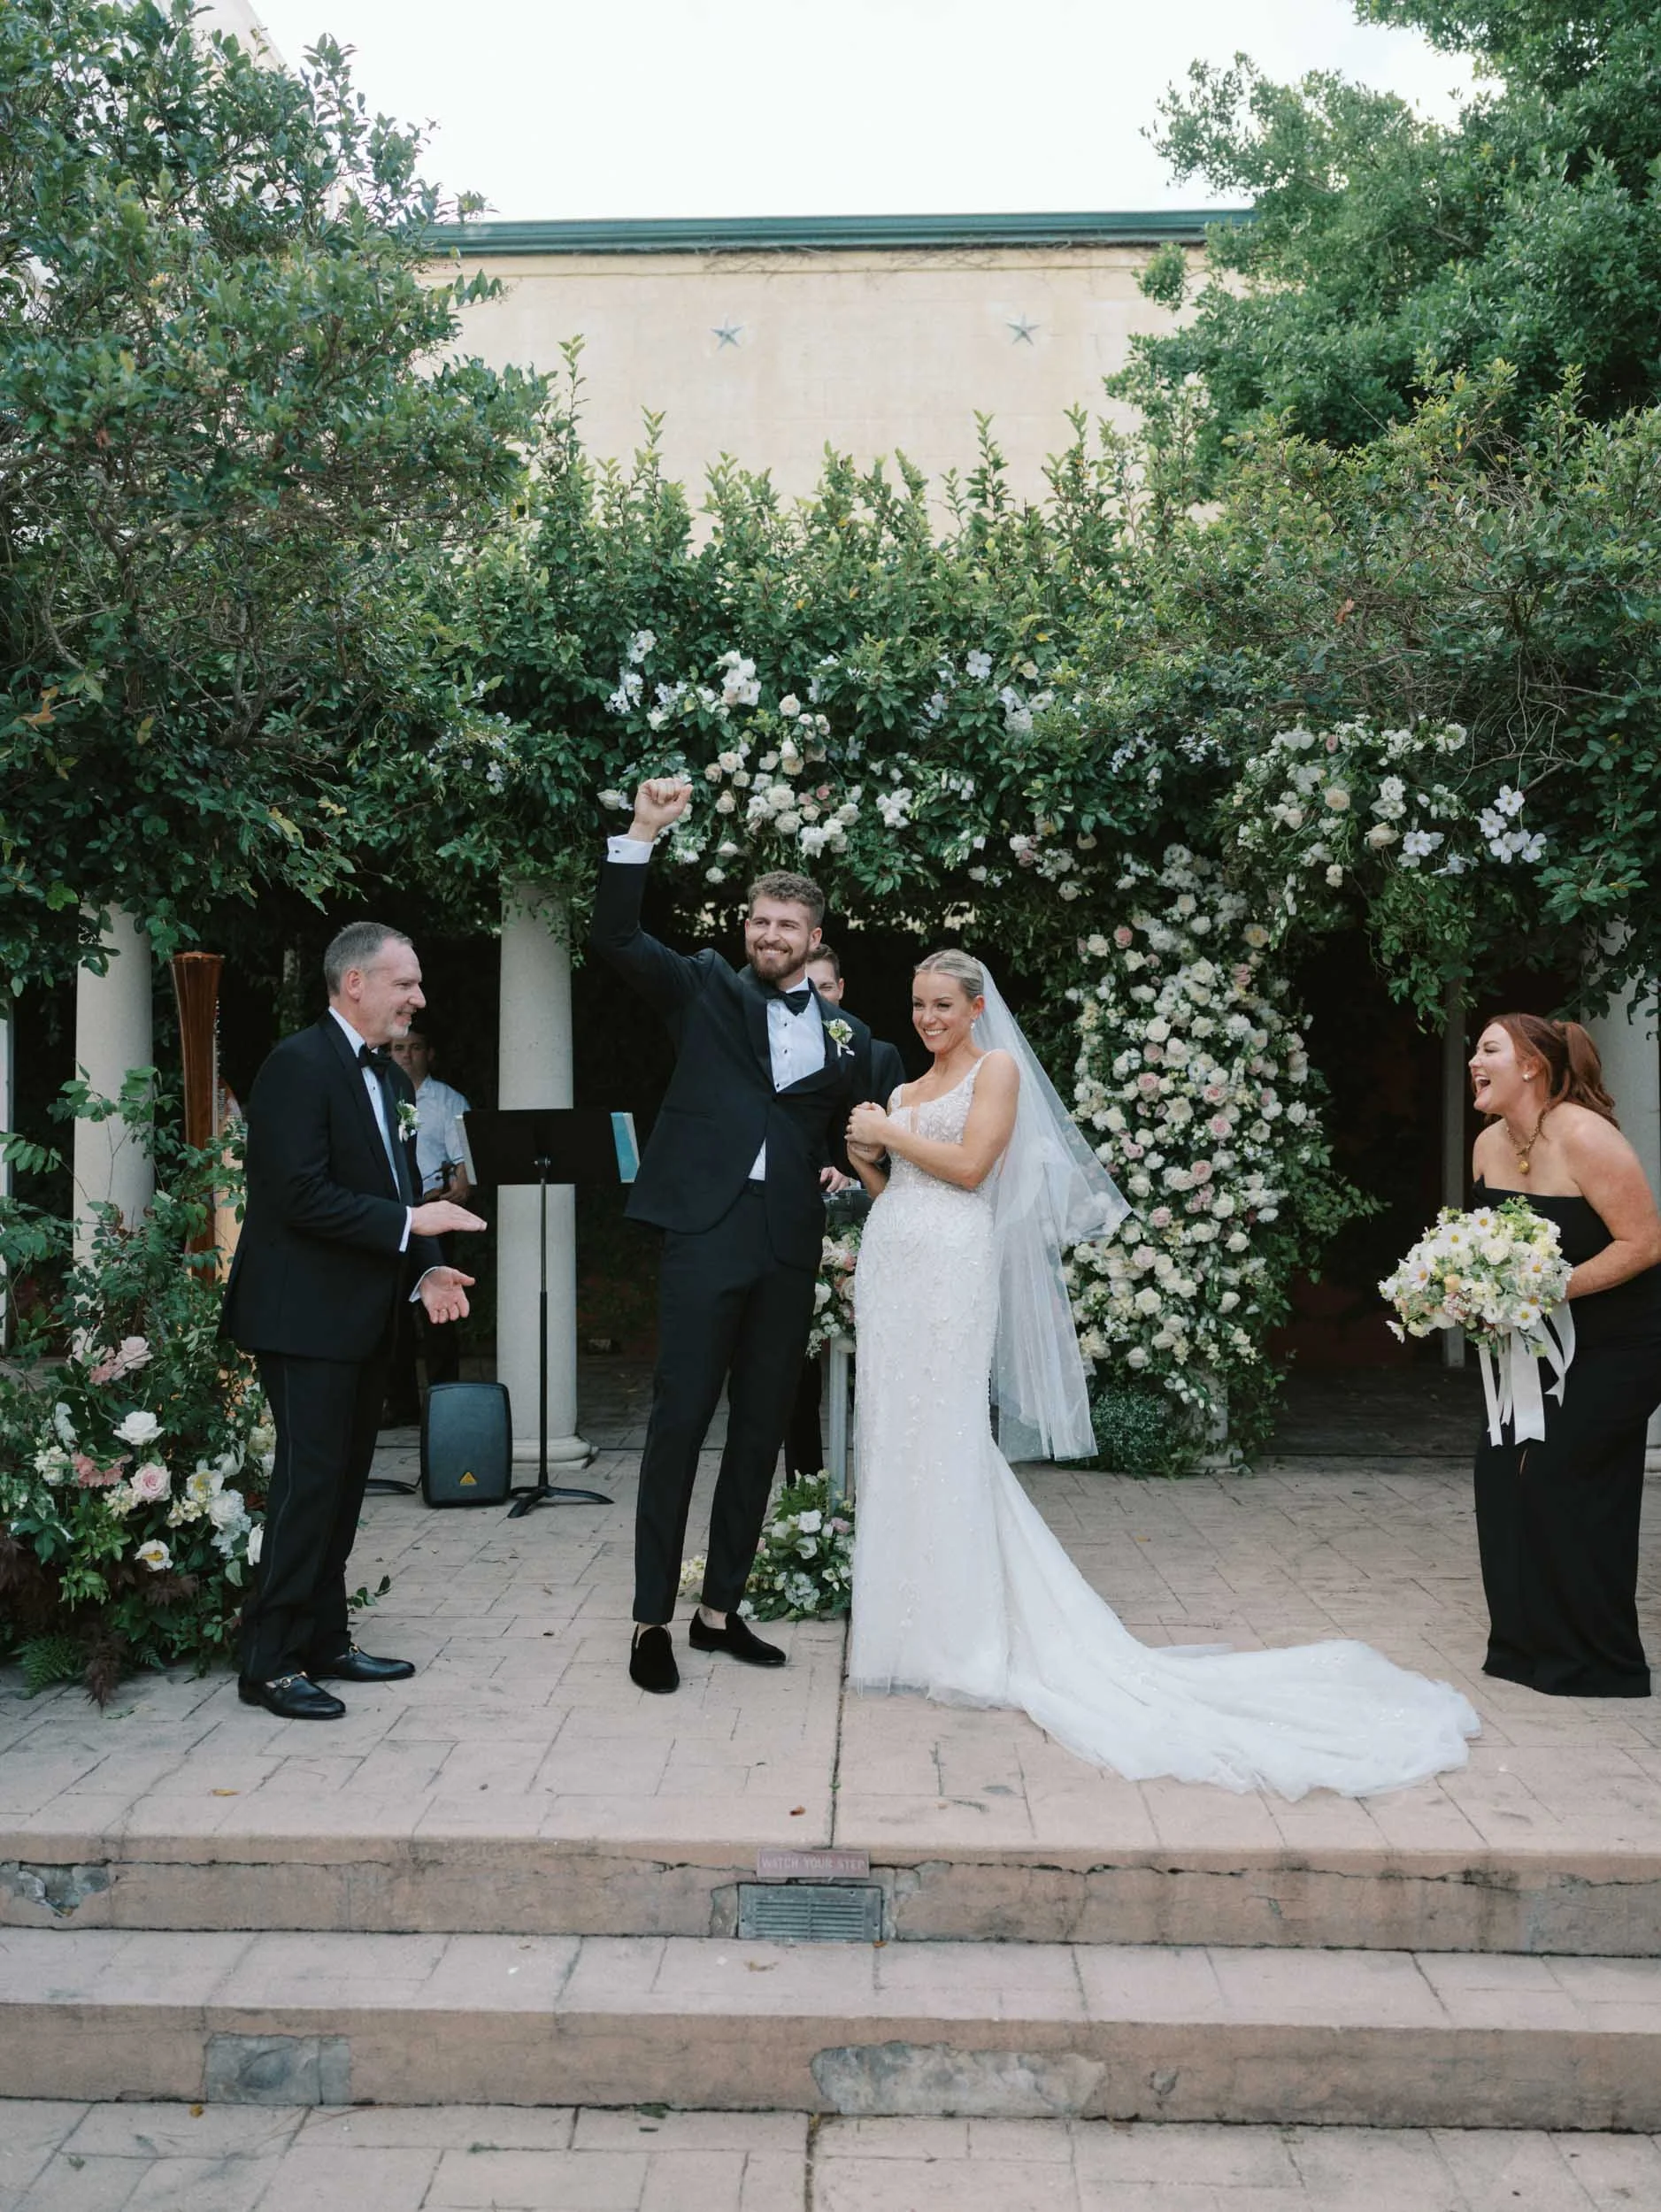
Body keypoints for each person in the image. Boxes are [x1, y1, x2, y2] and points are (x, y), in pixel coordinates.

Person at [842, 949, 1480, 1797]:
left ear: (974, 1007)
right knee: (899, 1439)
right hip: (894, 1264)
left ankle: (965, 1638)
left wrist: (886, 1134)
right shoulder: (905, 1091)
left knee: (948, 1436)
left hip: (955, 1268)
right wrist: (866, 1160)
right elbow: (901, 1192)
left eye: (941, 1006)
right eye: (918, 1004)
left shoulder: (994, 1071)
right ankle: (906, 1632)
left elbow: (970, 1171)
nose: (926, 1019)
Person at [591, 776, 873, 1694]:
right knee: (679, 1423)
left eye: (786, 927)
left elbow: (857, 1124)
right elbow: (618, 939)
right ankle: (649, 1622)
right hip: (702, 1233)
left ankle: (718, 1612)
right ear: (745, 925)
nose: (768, 935)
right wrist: (641, 831)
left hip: (786, 1246)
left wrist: (849, 1159)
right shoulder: (705, 987)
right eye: (759, 921)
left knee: (757, 1432)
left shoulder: (845, 1036)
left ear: (813, 941)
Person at [222, 922, 484, 1719]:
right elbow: (295, 1195)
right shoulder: (296, 1066)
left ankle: (325, 1640)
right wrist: (412, 1227)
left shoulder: (395, 1085)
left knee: (341, 1490)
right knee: (307, 1488)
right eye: (405, 983)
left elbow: (401, 1195)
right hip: (300, 1316)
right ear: (355, 984)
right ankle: (267, 1662)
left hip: (365, 1318)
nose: (419, 998)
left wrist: (427, 1265)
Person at [1469, 1012, 1660, 1698]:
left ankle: (1596, 1661)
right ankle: (1524, 1648)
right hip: (1533, 1346)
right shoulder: (1489, 1144)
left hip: (1620, 1343)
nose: (1472, 1062)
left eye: (1488, 1049)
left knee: (1560, 1477)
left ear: (1531, 1067)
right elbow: (1484, 1245)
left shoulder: (1586, 1136)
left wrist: (1546, 1291)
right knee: (1500, 1476)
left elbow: (1642, 1244)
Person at [781, 941, 905, 1480]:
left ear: (841, 990)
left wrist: (852, 1171)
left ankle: (875, 1494)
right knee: (795, 1379)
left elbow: (902, 1150)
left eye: (826, 987)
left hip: (867, 1234)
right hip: (795, 1233)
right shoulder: (775, 1051)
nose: (818, 998)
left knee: (872, 1376)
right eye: (807, 988)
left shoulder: (880, 1056)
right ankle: (804, 1496)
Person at [383, 1021, 473, 1422]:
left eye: (414, 1047)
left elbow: (464, 1162)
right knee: (393, 1316)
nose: (405, 1055)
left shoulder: (450, 1101)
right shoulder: (379, 1096)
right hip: (391, 1216)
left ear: (429, 1053)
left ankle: (443, 1404)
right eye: (398, 1048)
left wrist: (461, 1185)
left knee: (440, 1314)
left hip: (433, 1212)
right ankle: (401, 1405)